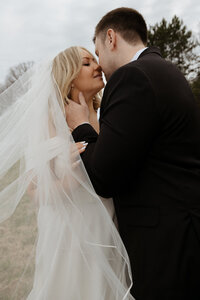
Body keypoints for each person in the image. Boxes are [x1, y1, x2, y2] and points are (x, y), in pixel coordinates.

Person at [66, 7, 200, 300]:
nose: (99, 63)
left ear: (111, 38)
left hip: (165, 246)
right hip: (182, 232)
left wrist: (81, 127)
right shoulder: (165, 70)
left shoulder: (133, 77)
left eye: (98, 52)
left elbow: (103, 174)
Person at [0, 47, 133, 299]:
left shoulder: (108, 115)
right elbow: (35, 193)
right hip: (71, 238)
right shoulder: (50, 119)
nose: (97, 66)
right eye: (87, 63)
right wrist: (72, 181)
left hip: (109, 229)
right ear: (70, 77)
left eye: (95, 60)